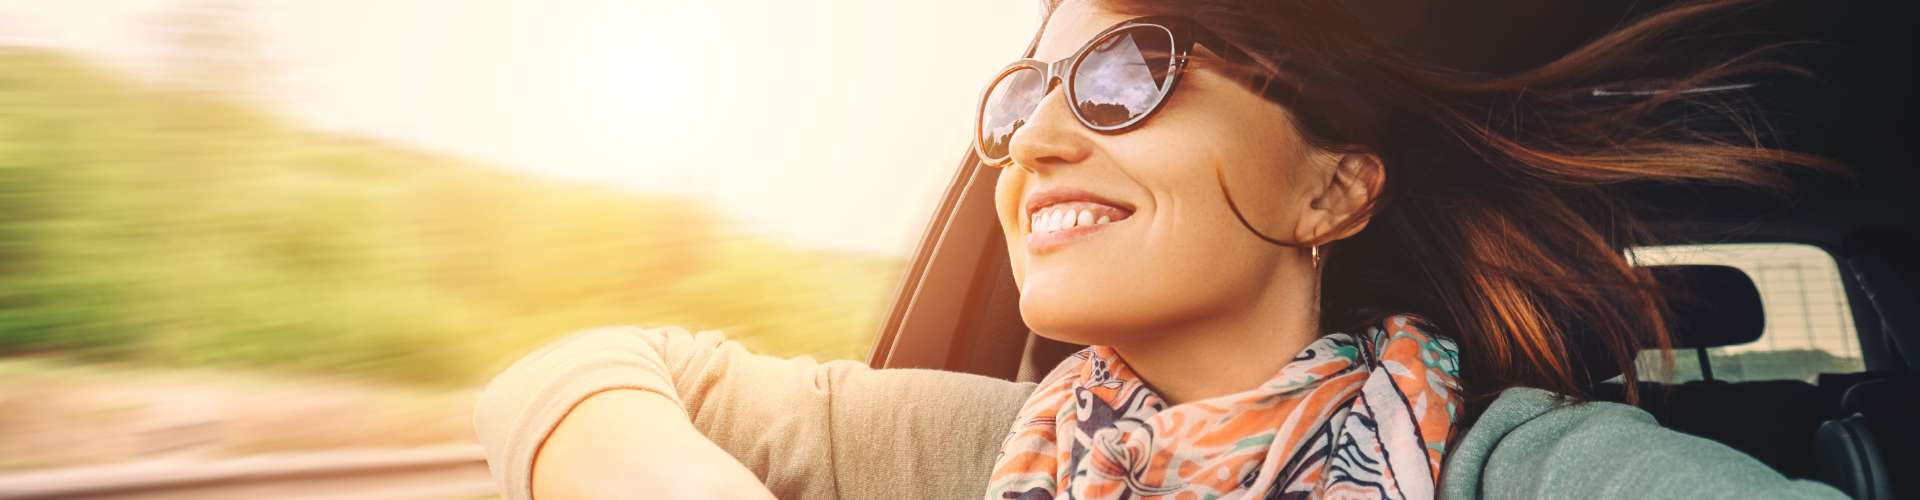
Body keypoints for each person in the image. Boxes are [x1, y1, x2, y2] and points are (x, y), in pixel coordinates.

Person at [474, 0, 1855, 498]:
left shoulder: (1521, 469)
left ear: (1333, 189)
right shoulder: (984, 454)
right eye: (1019, 103)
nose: (1033, 145)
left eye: (1131, 74)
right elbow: (586, 370)